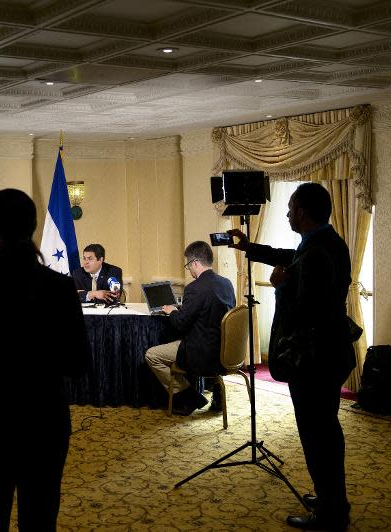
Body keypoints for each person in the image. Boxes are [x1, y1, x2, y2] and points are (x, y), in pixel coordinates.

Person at [0, 188, 91, 531]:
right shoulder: (60, 287)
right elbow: (78, 363)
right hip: (44, 420)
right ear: (33, 228)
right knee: (39, 519)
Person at [228, 182, 354, 530]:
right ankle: (332, 497)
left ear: (302, 212)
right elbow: (291, 257)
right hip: (331, 354)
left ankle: (331, 513)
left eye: (290, 208)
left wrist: (281, 287)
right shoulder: (326, 242)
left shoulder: (315, 253)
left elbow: (304, 312)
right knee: (326, 431)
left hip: (314, 361)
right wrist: (250, 247)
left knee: (317, 436)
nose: (285, 213)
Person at [145, 241, 235, 415]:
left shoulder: (194, 288)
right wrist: (184, 310)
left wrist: (172, 311)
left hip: (201, 352)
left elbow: (180, 324)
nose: (190, 271)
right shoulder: (227, 284)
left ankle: (189, 398)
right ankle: (215, 389)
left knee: (152, 355)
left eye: (188, 266)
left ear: (195, 263)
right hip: (224, 351)